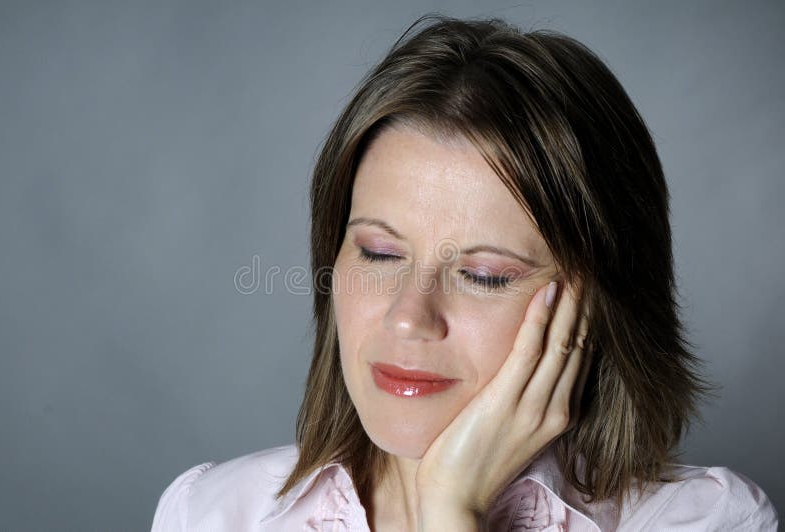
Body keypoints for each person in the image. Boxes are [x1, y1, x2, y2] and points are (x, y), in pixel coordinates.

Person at [151, 13, 779, 531]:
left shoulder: (707, 520)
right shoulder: (209, 512)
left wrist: (452, 506)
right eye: (379, 253)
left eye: (482, 274)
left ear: (595, 306)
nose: (407, 315)